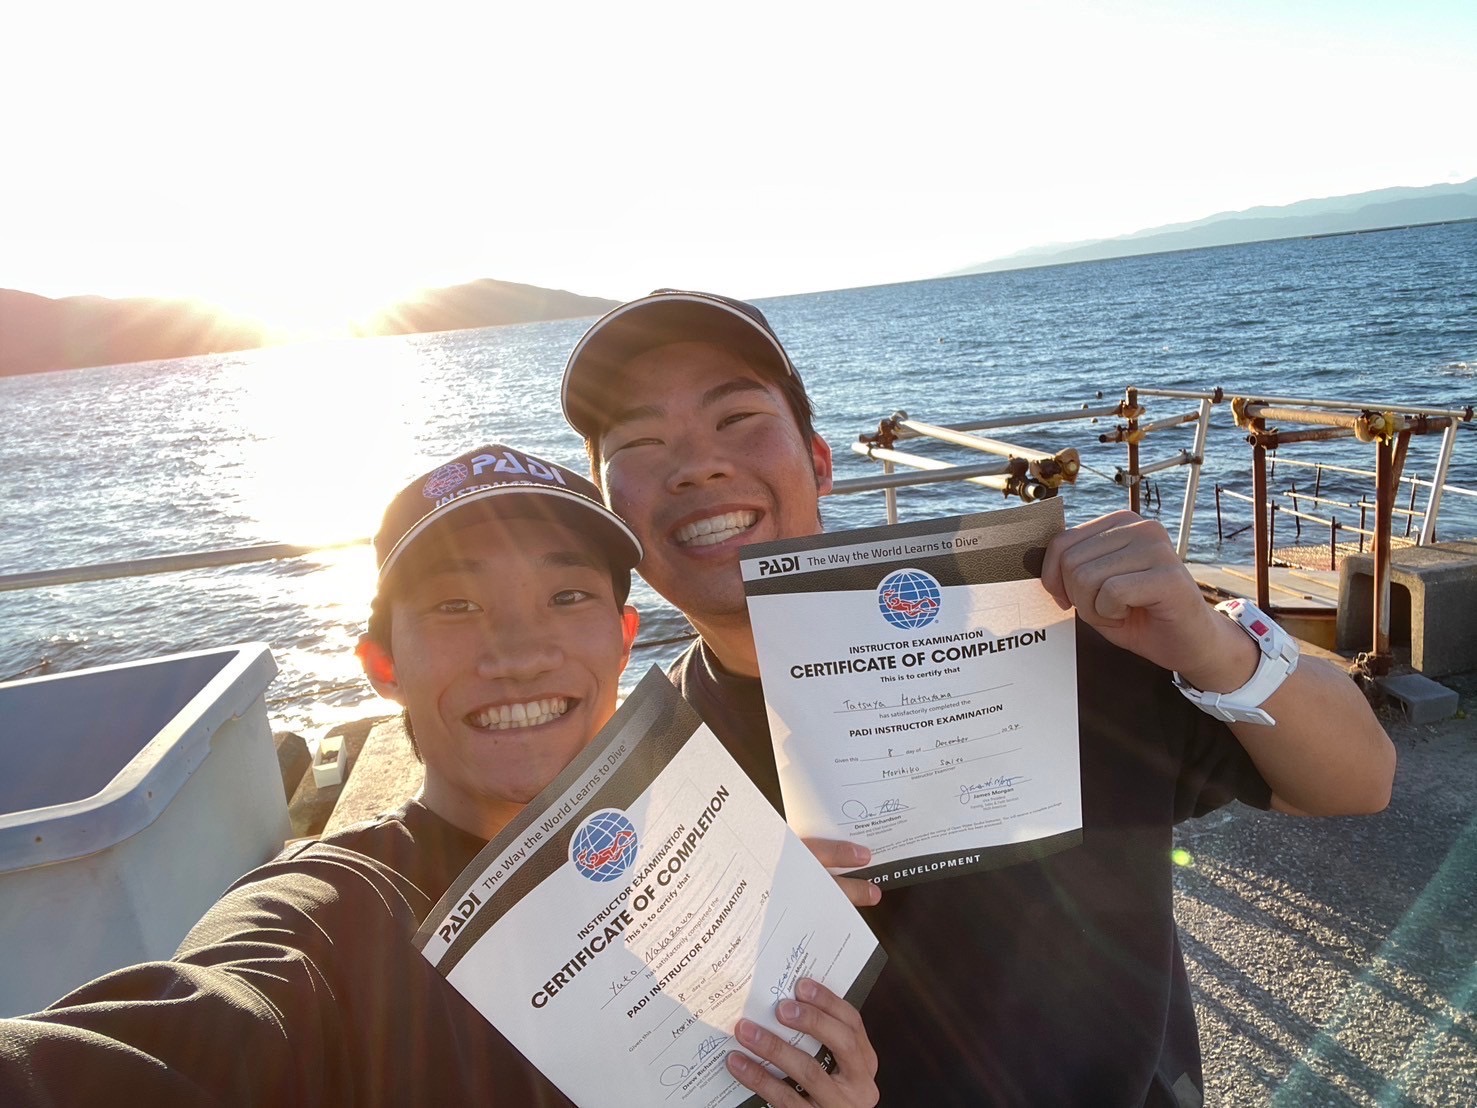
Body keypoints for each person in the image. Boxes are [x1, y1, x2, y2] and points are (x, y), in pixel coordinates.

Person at [560, 290, 1397, 1106]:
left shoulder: (1042, 626)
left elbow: (1358, 781)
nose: (697, 464)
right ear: (608, 508)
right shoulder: (643, 786)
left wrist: (1212, 644)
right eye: (638, 441)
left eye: (736, 418)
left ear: (818, 461)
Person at [0, 443, 880, 1108]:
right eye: (456, 606)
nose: (519, 654)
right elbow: (186, 1039)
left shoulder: (730, 871)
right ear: (383, 667)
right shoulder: (338, 913)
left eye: (566, 596)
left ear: (621, 638)